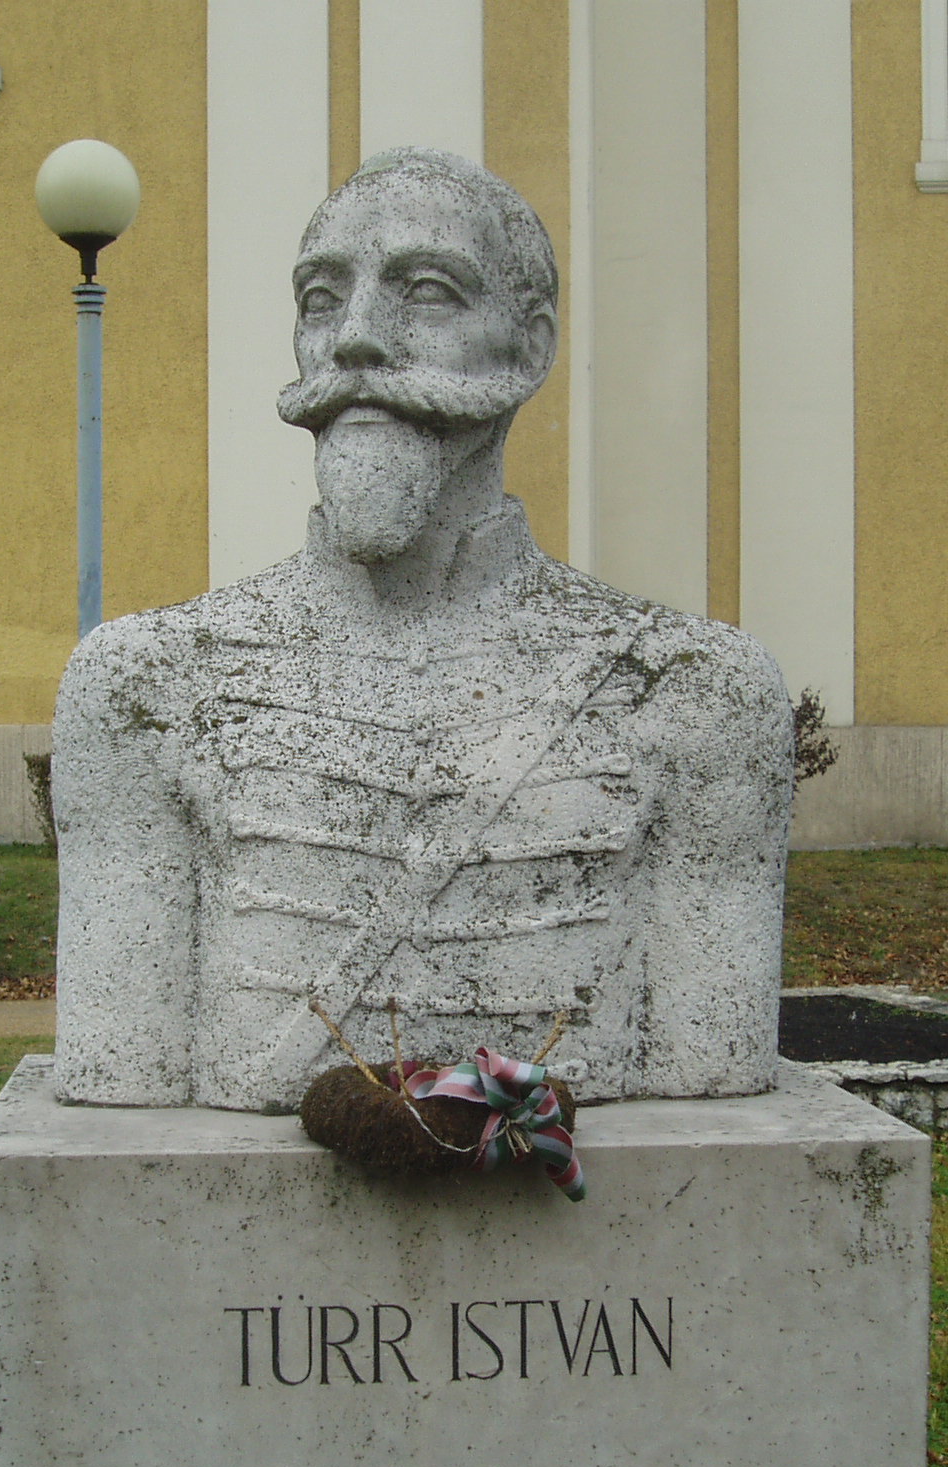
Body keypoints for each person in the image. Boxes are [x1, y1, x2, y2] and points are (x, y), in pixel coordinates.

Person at [49, 148, 792, 1113]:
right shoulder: (145, 684)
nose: (355, 339)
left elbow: (713, 1096)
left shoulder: (698, 691)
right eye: (321, 300)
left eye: (428, 292)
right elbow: (121, 1091)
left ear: (529, 348)